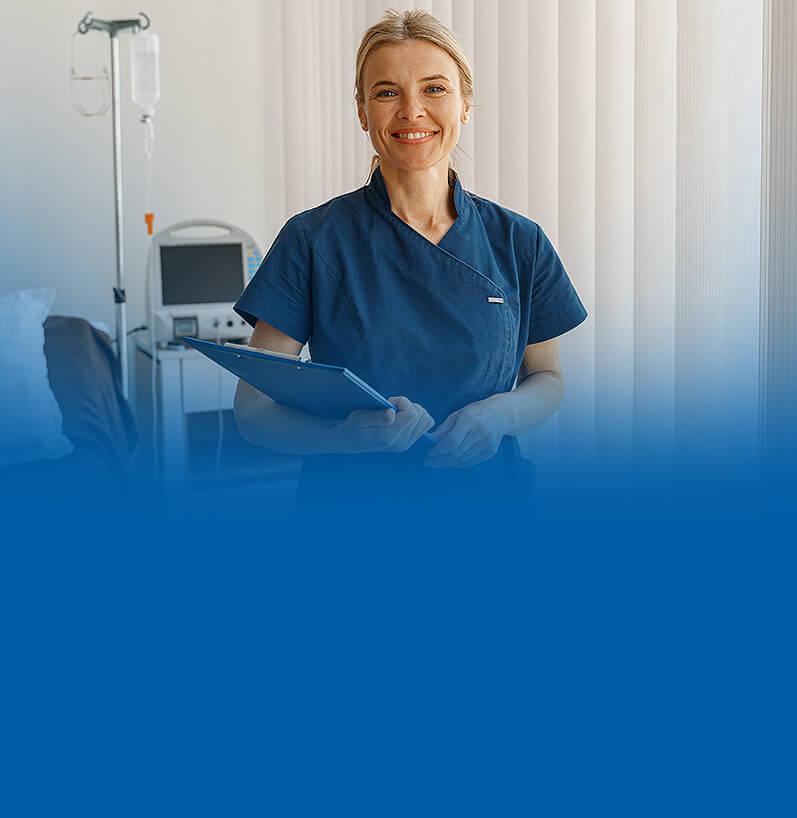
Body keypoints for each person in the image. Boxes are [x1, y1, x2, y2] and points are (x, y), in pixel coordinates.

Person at [233, 8, 586, 516]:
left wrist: (498, 416)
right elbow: (254, 411)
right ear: (361, 111)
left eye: (435, 89)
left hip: (487, 513)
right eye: (386, 92)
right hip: (352, 520)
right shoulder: (312, 239)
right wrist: (344, 437)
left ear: (466, 104)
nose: (411, 110)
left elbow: (547, 380)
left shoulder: (519, 241)